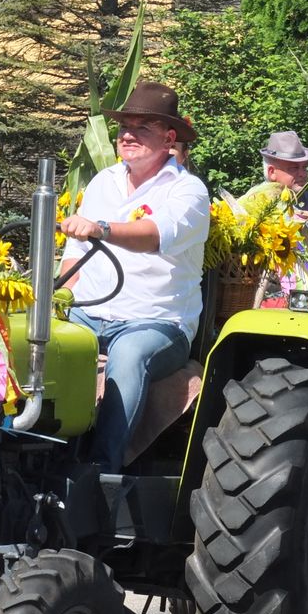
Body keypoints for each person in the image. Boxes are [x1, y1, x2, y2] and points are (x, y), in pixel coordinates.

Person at [59, 81, 210, 472]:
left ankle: (100, 470)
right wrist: (57, 304)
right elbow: (74, 254)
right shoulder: (102, 182)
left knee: (128, 356)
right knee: (37, 342)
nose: (128, 135)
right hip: (87, 315)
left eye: (142, 127)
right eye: (124, 126)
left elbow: (155, 235)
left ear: (168, 138)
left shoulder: (188, 192)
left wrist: (102, 229)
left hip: (157, 323)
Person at [244, 129, 308, 212]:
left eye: (304, 167)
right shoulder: (252, 205)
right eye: (294, 168)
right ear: (272, 172)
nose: (303, 174)